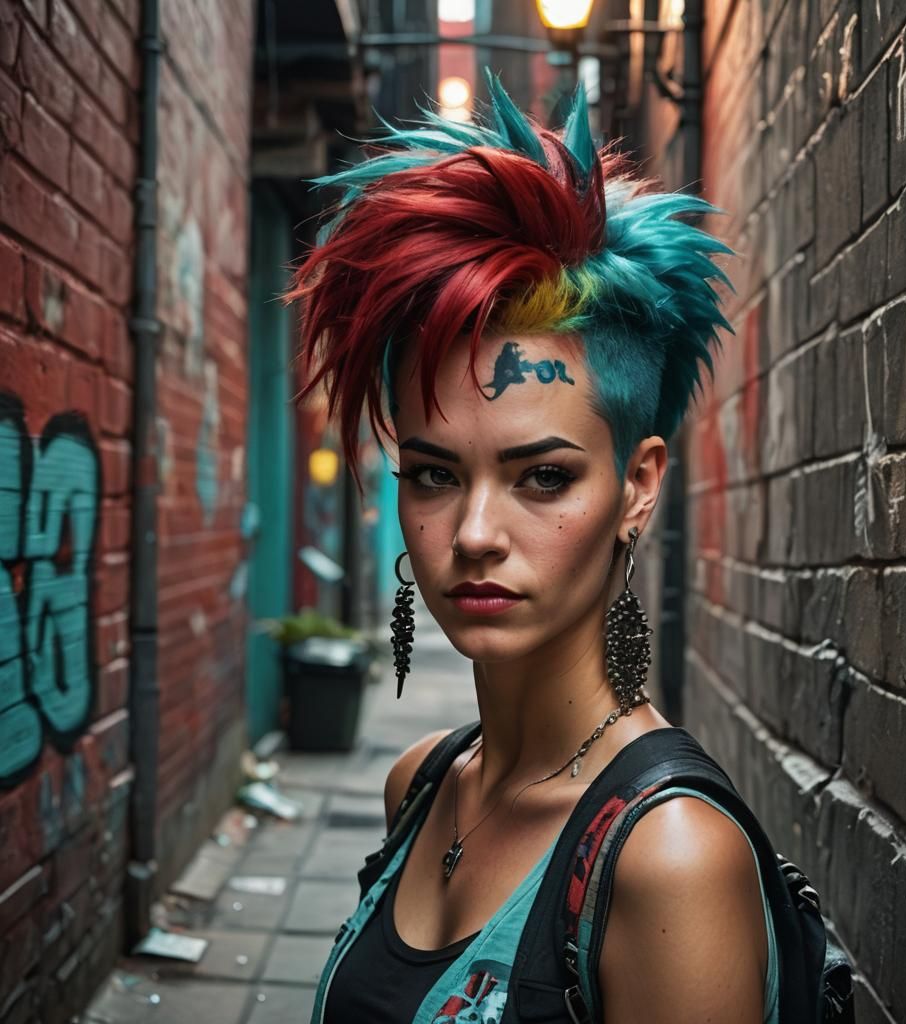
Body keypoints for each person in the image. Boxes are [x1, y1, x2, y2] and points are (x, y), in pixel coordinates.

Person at [290, 70, 777, 1024]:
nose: (473, 534)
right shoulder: (420, 784)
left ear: (638, 485)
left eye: (543, 477)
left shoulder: (670, 860)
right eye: (432, 473)